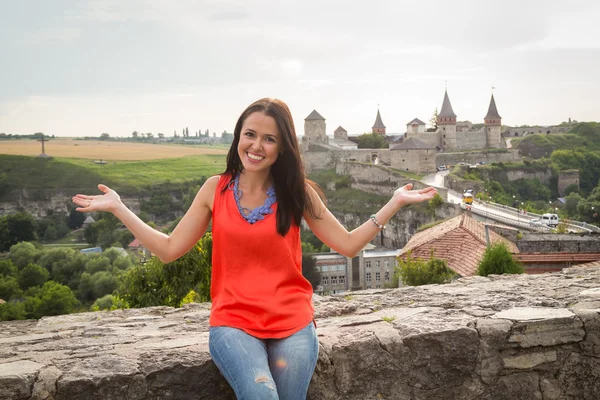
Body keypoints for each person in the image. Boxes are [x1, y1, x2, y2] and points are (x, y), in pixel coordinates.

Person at [72, 98, 437, 399]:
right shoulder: (214, 190)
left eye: (269, 139)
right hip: (234, 323)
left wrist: (394, 202)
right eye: (250, 135)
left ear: (282, 148)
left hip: (292, 322)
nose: (256, 146)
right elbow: (169, 249)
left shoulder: (298, 193)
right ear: (238, 138)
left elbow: (348, 244)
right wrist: (120, 208)